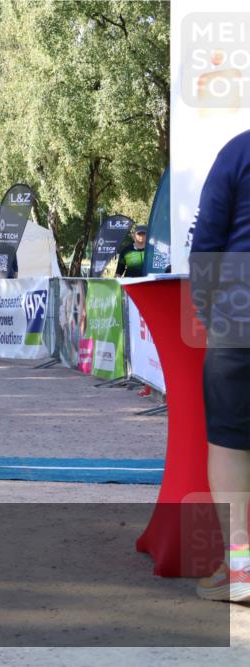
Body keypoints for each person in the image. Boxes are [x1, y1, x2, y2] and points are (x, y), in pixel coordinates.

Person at [189, 130, 250, 603]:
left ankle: (242, 569)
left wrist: (210, 314)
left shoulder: (238, 150)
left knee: (230, 444)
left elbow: (207, 239)